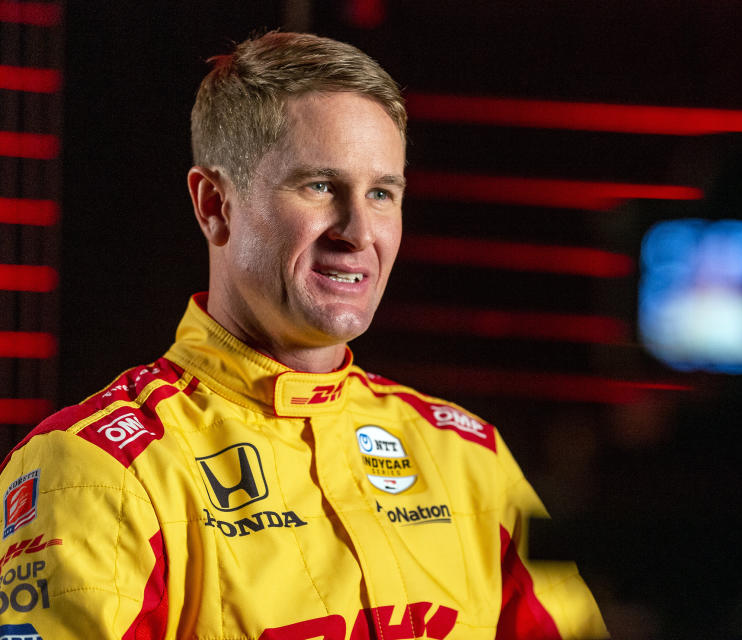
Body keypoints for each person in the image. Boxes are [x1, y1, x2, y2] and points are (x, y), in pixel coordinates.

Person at [0, 32, 607, 639]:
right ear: (214, 205)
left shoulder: (469, 458)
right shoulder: (96, 470)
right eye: (319, 186)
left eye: (381, 193)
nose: (358, 231)